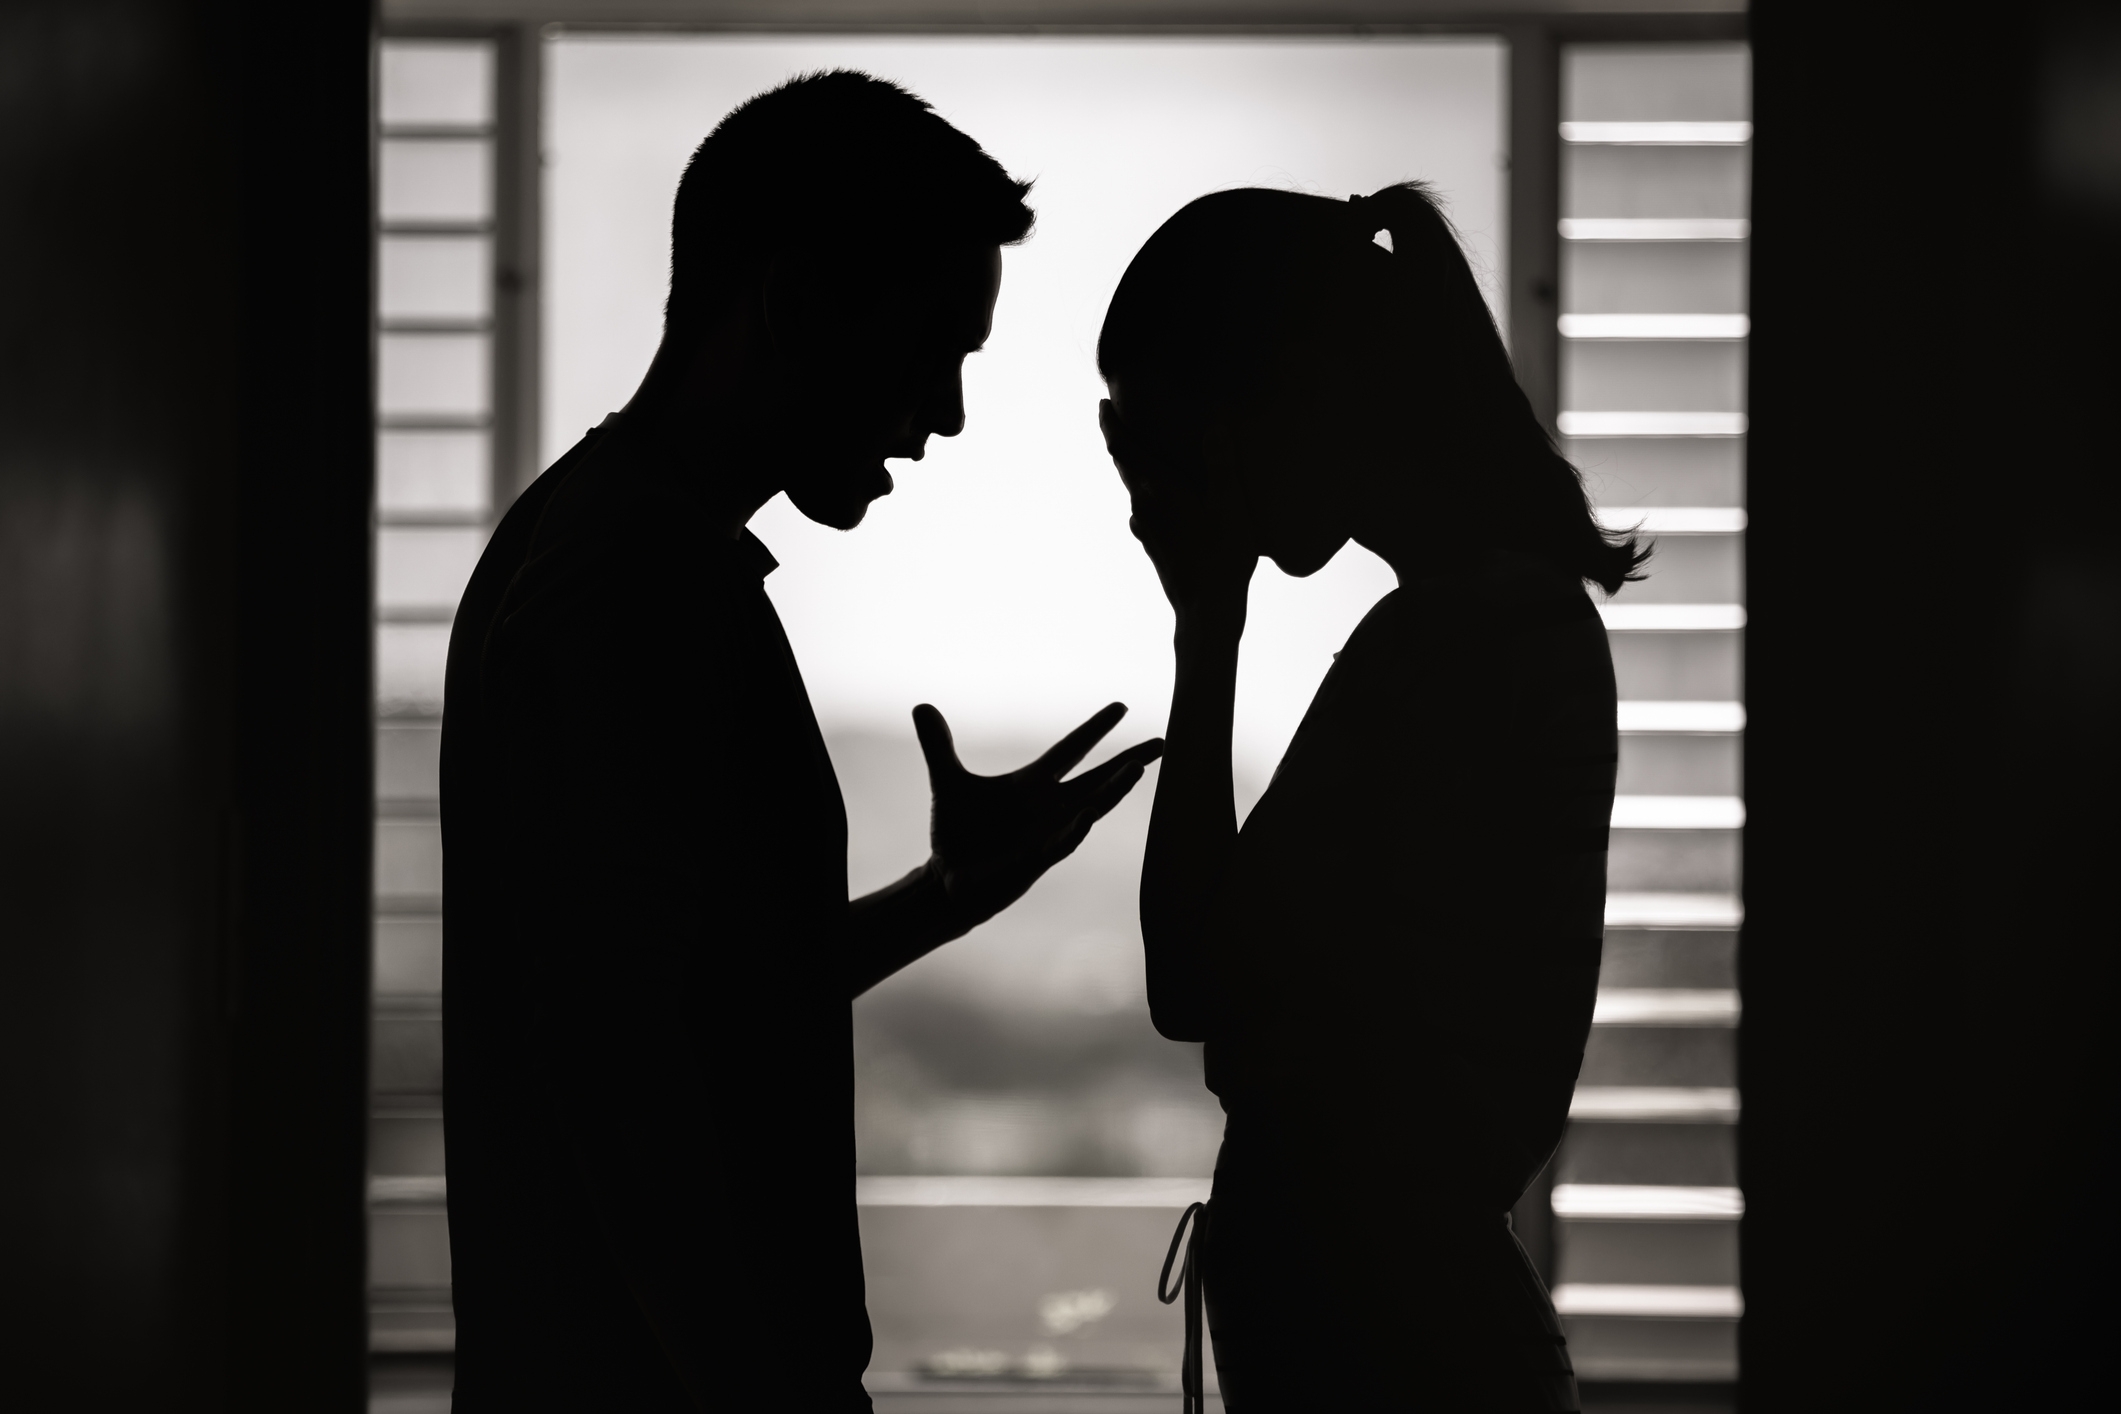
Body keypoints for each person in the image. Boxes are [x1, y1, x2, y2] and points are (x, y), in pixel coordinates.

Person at [441, 71, 1163, 1412]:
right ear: (789, 304)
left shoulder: (609, 548)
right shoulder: (636, 590)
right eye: (930, 348)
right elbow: (629, 1087)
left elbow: (701, 993)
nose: (942, 416)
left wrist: (948, 894)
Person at [1098, 183, 1644, 1410]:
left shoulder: (1463, 640)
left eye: (1185, 433)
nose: (1185, 483)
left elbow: (1190, 977)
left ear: (1289, 391)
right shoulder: (1487, 622)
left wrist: (1209, 622)